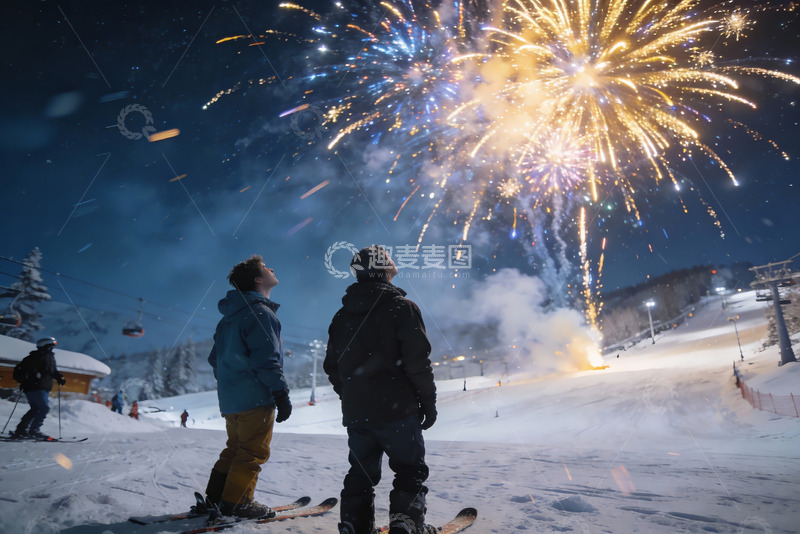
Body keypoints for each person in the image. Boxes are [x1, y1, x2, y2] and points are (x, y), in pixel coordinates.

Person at [324, 245, 437, 534]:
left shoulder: (340, 316)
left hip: (358, 413)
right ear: (386, 268)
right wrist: (428, 401)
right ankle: (406, 524)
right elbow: (417, 363)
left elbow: (332, 367)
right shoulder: (403, 309)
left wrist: (351, 395)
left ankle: (353, 524)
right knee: (410, 470)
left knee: (360, 473)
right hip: (398, 410)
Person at [199, 255, 292, 520]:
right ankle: (237, 503)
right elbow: (266, 359)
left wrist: (231, 385)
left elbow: (215, 359)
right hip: (255, 398)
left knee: (235, 449)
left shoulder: (227, 318)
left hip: (232, 401)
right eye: (266, 268)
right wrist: (280, 392)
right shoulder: (261, 312)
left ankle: (216, 498)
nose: (272, 268)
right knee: (252, 452)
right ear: (258, 279)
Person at [11, 337, 66, 440]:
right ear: (46, 346)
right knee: (44, 408)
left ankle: (21, 430)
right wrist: (35, 376)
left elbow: (52, 371)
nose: (52, 348)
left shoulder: (48, 357)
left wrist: (59, 377)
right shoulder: (37, 357)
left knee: (35, 409)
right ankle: (34, 430)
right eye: (51, 346)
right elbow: (31, 370)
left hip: (39, 387)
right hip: (36, 386)